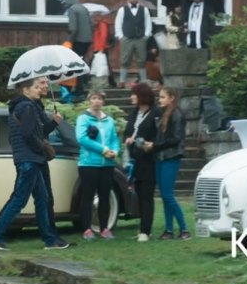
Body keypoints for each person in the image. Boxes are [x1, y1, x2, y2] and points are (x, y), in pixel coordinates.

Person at [0, 78, 70, 251]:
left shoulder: (25, 107)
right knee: (19, 199)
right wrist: (40, 147)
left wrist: (54, 122)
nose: (40, 89)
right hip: (29, 160)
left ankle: (50, 240)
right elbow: (29, 134)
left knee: (42, 198)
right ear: (25, 90)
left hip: (30, 159)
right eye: (36, 87)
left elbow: (37, 131)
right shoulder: (27, 107)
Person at [75, 89, 121, 241]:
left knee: (104, 195)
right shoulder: (83, 119)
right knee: (87, 196)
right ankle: (87, 228)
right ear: (89, 100)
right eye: (94, 98)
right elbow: (82, 138)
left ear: (103, 101)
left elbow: (114, 138)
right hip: (89, 163)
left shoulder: (109, 120)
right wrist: (102, 150)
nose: (97, 101)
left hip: (107, 164)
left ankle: (104, 228)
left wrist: (114, 150)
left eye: (100, 99)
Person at [148, 86, 190, 240]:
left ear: (172, 98)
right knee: (165, 196)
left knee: (167, 195)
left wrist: (155, 145)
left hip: (171, 157)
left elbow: (175, 139)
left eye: (163, 97)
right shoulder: (164, 113)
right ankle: (169, 230)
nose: (160, 100)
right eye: (160, 97)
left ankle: (184, 229)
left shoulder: (177, 115)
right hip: (161, 157)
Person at [123, 83, 159, 242]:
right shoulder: (134, 113)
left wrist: (148, 144)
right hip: (134, 159)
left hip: (149, 160)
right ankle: (143, 228)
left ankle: (146, 230)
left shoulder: (155, 113)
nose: (131, 97)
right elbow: (128, 131)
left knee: (146, 195)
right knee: (138, 193)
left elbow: (158, 135)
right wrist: (129, 139)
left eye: (134, 94)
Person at [33, 76, 67, 241]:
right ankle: (49, 236)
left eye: (47, 82)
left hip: (39, 157)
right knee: (42, 198)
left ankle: (52, 234)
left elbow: (43, 130)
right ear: (33, 85)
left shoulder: (38, 105)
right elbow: (39, 132)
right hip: (34, 157)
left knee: (46, 197)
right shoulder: (31, 106)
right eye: (42, 83)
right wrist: (54, 122)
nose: (46, 85)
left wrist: (54, 122)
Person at [114, 0, 152, 88]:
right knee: (125, 60)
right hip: (127, 38)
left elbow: (148, 24)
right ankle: (122, 81)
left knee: (142, 60)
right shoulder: (122, 10)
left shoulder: (145, 10)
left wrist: (146, 36)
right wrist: (121, 37)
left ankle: (144, 81)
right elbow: (118, 24)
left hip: (140, 39)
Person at [63, 0, 93, 94]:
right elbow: (91, 25)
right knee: (81, 62)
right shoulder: (84, 8)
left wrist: (69, 40)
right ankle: (81, 86)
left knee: (74, 64)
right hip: (87, 40)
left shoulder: (72, 10)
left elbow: (73, 28)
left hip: (77, 41)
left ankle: (77, 88)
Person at [91, 12, 116, 88]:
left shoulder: (102, 24)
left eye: (96, 16)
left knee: (104, 64)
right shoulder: (98, 25)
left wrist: (101, 47)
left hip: (101, 48)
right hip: (98, 47)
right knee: (105, 64)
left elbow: (103, 37)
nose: (94, 18)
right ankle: (112, 82)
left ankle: (111, 81)